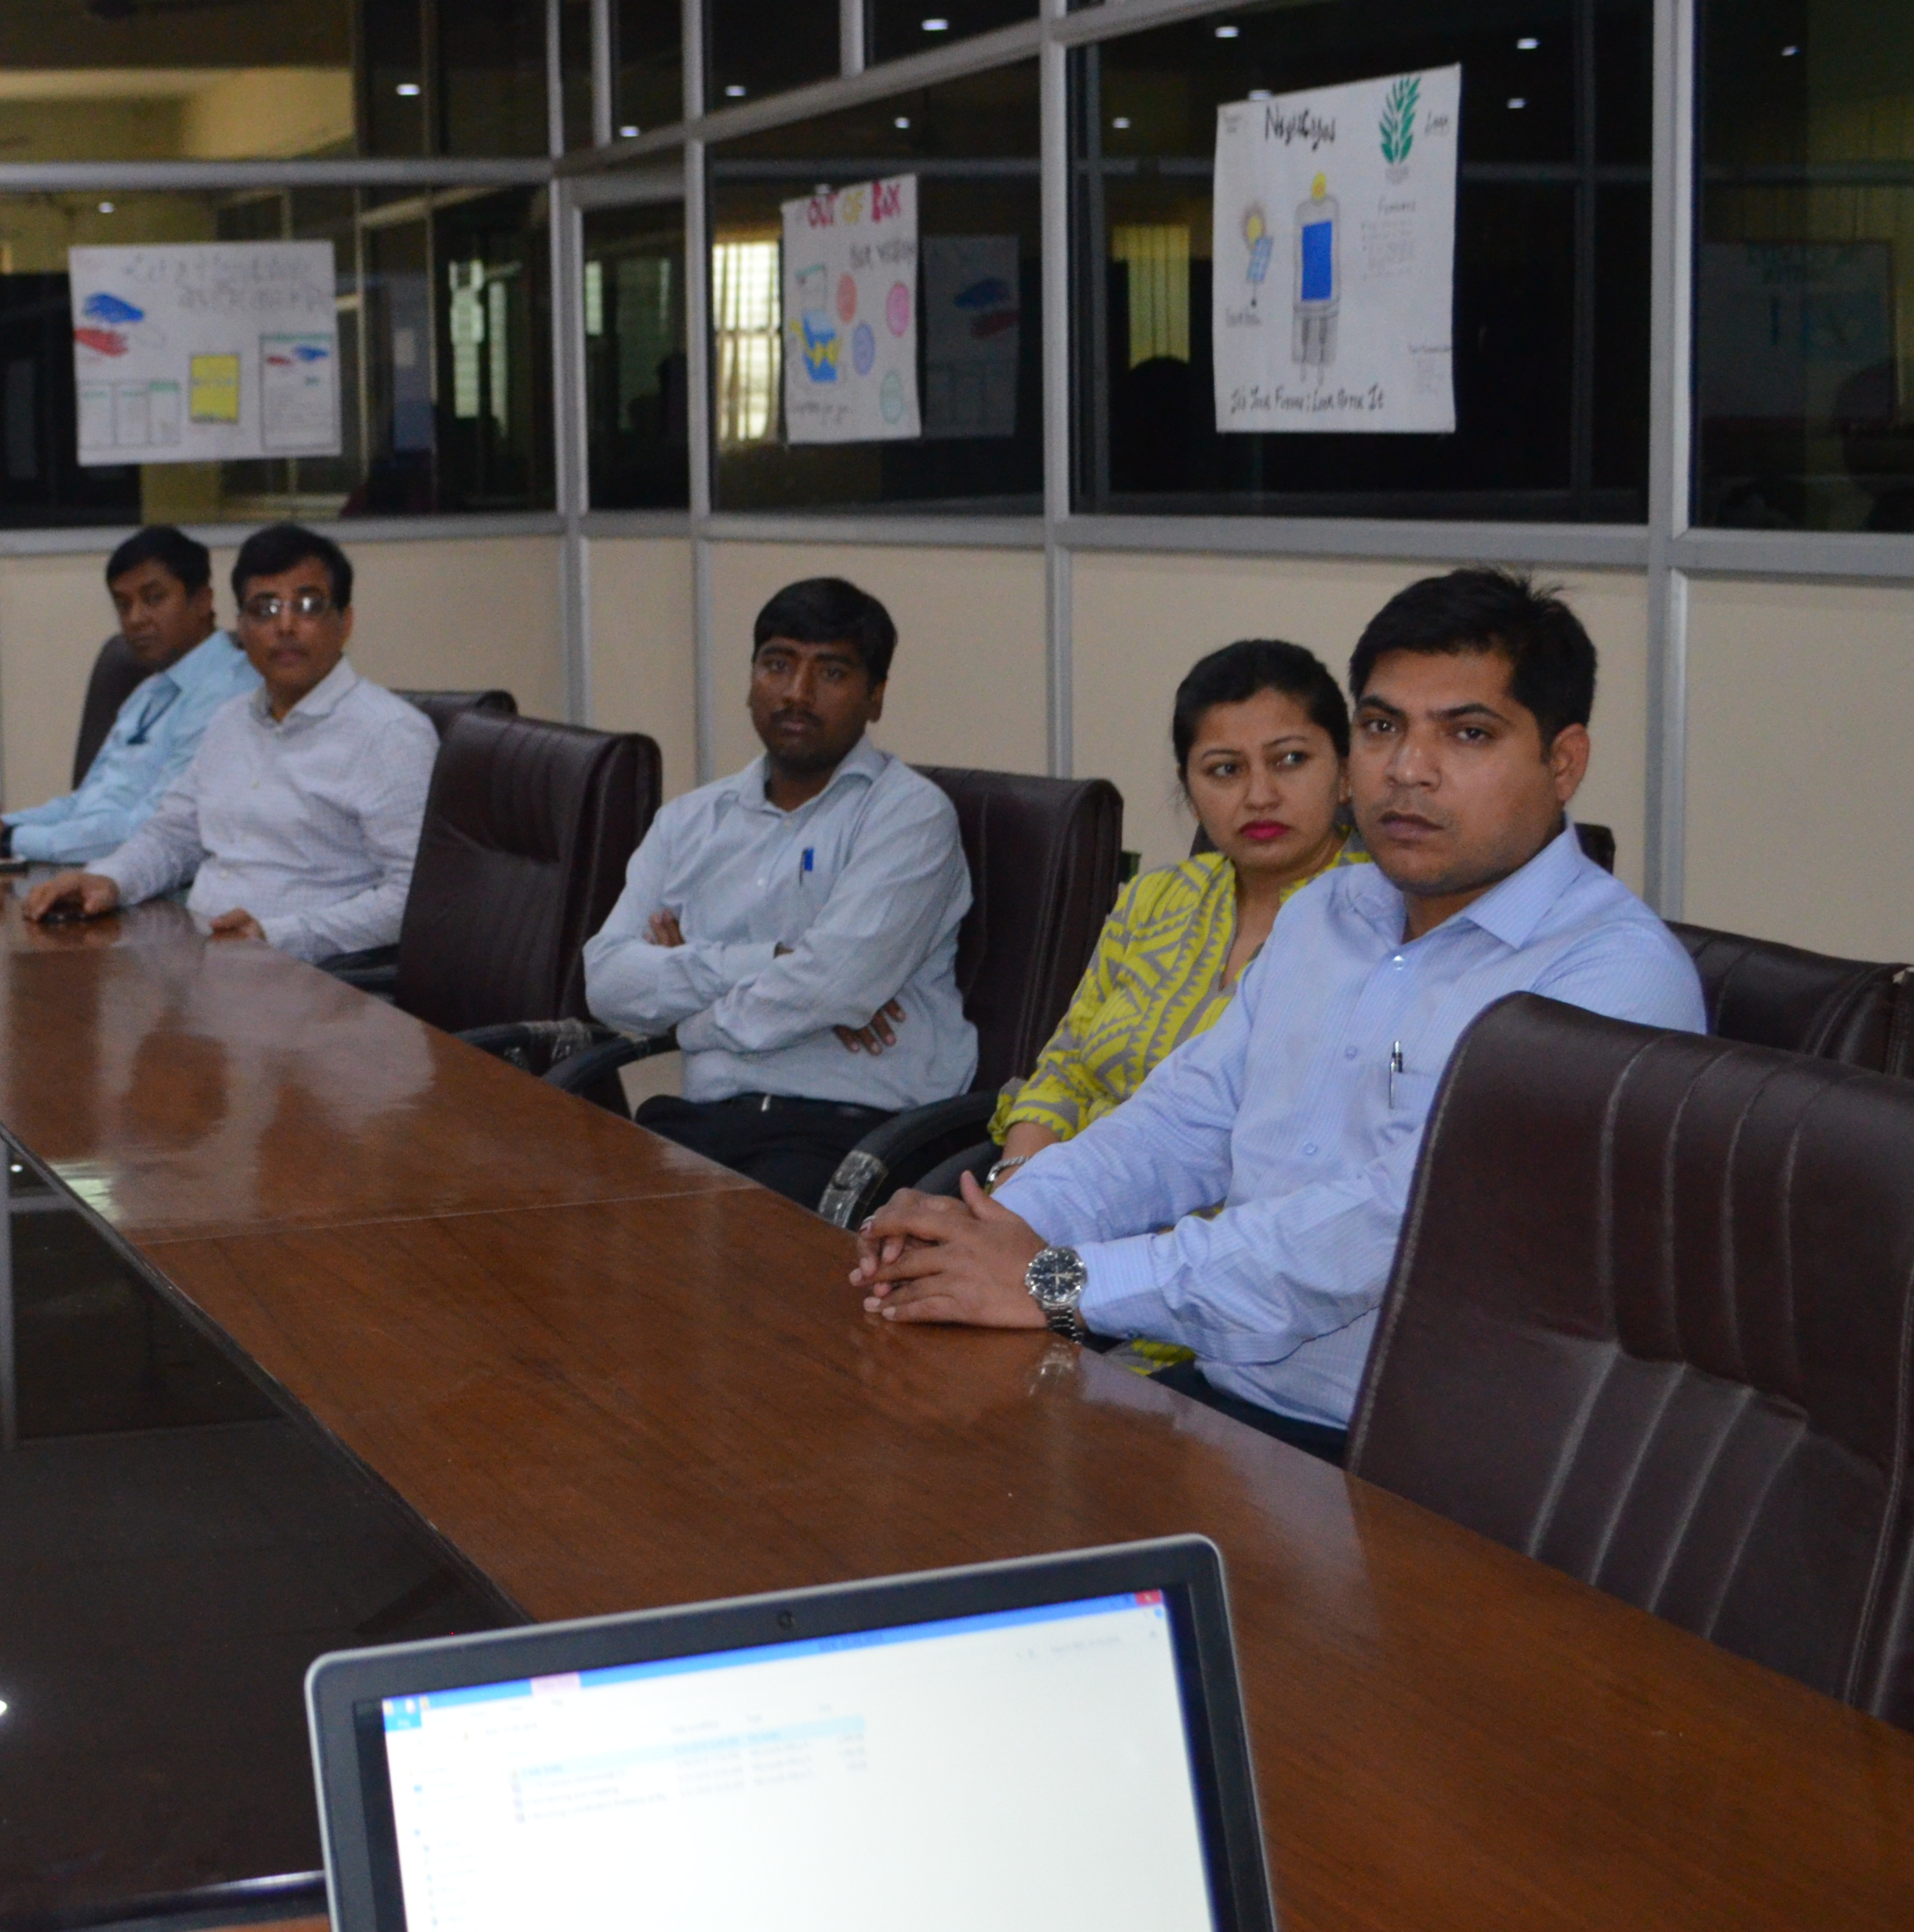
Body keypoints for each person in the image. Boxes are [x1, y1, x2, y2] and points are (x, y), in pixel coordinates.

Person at [852, 568, 1706, 1461]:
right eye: (1381, 727)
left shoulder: (1609, 981)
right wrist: (988, 1229)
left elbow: (1379, 1230)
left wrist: (1052, 1280)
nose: (1406, 769)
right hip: (1226, 1402)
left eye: (1467, 734)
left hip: (1425, 1464)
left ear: (1562, 763)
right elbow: (1178, 1123)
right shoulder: (1326, 914)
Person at [581, 576, 975, 1208]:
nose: (797, 692)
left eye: (832, 672)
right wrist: (770, 962)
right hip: (704, 1121)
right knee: (557, 1219)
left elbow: (831, 987)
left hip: (851, 1136)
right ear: (750, 681)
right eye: (777, 665)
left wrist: (686, 1017)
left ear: (876, 697)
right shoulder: (689, 822)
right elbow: (606, 982)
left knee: (720, 1249)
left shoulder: (908, 815)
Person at [979, 640, 1365, 1185]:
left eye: (1290, 760)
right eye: (1225, 770)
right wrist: (1012, 1188)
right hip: (1069, 1194)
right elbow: (1064, 1070)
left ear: (1346, 772)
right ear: (1190, 793)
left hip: (1233, 1217)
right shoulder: (1155, 898)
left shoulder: (1381, 918)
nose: (1260, 795)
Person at [20, 525, 434, 964]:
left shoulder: (389, 735)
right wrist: (107, 879)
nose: (285, 626)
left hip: (313, 976)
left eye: (308, 606)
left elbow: (417, 895)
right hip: (201, 959)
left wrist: (279, 936)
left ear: (345, 623)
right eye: (264, 609)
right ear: (242, 627)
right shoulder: (229, 721)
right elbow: (174, 836)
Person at [0, 526, 254, 865]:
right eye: (123, 604)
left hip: (159, 882)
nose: (135, 619)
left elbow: (154, 831)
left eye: (153, 598)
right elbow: (84, 804)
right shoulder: (149, 692)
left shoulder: (228, 690)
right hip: (96, 867)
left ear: (203, 601)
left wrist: (5, 840)